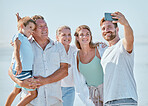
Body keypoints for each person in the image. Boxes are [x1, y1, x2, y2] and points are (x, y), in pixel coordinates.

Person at [8, 14, 69, 106]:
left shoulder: (58, 46)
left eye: (45, 26)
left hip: (54, 101)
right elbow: (10, 70)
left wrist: (45, 81)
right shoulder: (24, 45)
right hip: (31, 103)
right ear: (32, 31)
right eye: (40, 27)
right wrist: (20, 82)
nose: (45, 29)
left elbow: (64, 71)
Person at [100, 12, 138, 106]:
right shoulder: (105, 52)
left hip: (125, 99)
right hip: (108, 101)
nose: (106, 30)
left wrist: (126, 24)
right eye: (103, 28)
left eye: (109, 27)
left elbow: (130, 39)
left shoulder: (122, 44)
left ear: (117, 29)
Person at [5, 16, 37, 106]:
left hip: (23, 70)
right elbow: (16, 50)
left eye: (33, 29)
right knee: (33, 94)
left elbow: (23, 27)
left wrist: (19, 22)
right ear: (22, 26)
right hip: (23, 70)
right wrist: (18, 63)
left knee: (16, 90)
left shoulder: (24, 37)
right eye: (30, 28)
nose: (31, 31)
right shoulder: (19, 36)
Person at [73, 25, 106, 106]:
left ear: (90, 36)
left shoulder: (100, 49)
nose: (85, 36)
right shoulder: (75, 56)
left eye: (87, 34)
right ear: (77, 37)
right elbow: (79, 81)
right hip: (91, 94)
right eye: (81, 34)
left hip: (106, 90)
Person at [56, 26, 77, 106]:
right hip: (56, 87)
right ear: (57, 37)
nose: (67, 37)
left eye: (69, 34)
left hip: (70, 88)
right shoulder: (53, 49)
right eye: (64, 35)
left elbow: (87, 48)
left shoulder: (74, 49)